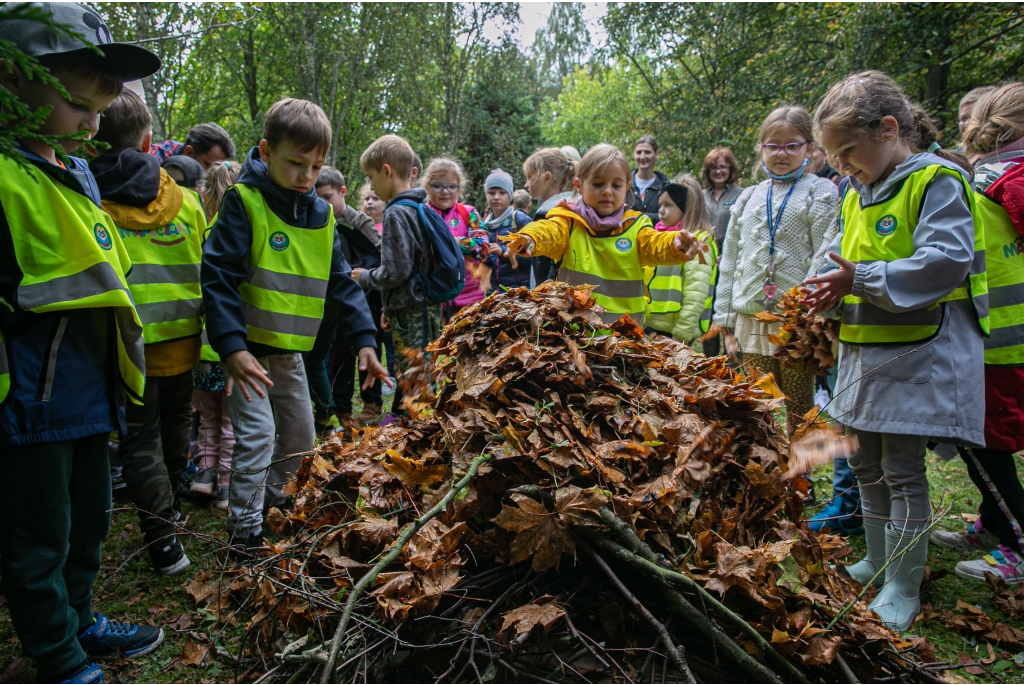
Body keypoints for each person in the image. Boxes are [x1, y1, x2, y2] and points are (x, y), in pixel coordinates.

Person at [0, 4, 166, 681]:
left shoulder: (74, 171)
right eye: (76, 104)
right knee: (37, 531)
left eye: (101, 109)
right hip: (30, 393)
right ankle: (55, 652)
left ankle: (79, 615)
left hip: (89, 385)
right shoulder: (7, 174)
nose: (93, 123)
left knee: (89, 518)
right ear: (10, 82)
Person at [802, 71, 988, 630]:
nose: (841, 166)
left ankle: (904, 585)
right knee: (864, 463)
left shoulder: (935, 181)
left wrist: (858, 281)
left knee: (903, 470)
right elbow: (834, 259)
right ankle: (878, 561)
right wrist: (814, 293)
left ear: (888, 128)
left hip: (916, 355)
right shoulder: (856, 193)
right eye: (833, 156)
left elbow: (946, 260)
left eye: (848, 152)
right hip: (862, 355)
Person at [201, 99, 386, 555]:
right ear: (265, 152)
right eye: (295, 163)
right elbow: (218, 276)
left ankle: (270, 504)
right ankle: (243, 532)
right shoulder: (243, 202)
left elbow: (341, 284)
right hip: (246, 356)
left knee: (303, 437)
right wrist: (230, 347)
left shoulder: (323, 216)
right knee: (258, 438)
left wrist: (365, 341)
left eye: (316, 166)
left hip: (288, 356)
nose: (306, 176)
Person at [89, 89, 207, 576]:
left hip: (128, 345)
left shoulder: (87, 198)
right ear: (148, 138)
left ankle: (163, 541)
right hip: (185, 336)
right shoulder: (186, 201)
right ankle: (173, 509)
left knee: (140, 441)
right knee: (177, 424)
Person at [930, 82, 1024, 584]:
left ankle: (1017, 540)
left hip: (997, 344)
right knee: (982, 442)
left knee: (986, 446)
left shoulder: (999, 184)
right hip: (998, 339)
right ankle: (992, 523)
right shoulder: (1001, 178)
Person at [712, 106, 838, 432]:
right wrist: (723, 317)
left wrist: (803, 302)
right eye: (773, 145)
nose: (782, 153)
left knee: (798, 402)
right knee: (758, 400)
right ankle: (765, 469)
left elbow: (826, 248)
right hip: (750, 316)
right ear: (761, 149)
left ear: (809, 148)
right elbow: (731, 258)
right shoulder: (749, 197)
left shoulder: (821, 191)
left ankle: (800, 474)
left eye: (792, 145)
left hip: (795, 318)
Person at [504, 144, 701, 325]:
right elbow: (547, 231)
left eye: (616, 185)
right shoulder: (569, 222)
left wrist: (676, 243)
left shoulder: (636, 226)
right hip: (577, 334)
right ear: (579, 185)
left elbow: (655, 243)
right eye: (598, 184)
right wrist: (528, 239)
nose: (607, 192)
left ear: (626, 188)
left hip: (625, 337)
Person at [353, 135, 441, 423]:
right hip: (424, 306)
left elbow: (396, 271)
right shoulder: (420, 206)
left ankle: (423, 438)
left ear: (387, 171)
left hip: (412, 313)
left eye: (371, 177)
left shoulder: (395, 213)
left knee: (415, 376)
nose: (371, 186)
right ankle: (422, 429)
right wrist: (388, 309)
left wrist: (365, 277)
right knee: (424, 372)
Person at [309, 166, 385, 432]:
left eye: (328, 197)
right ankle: (342, 410)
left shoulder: (360, 221)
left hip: (365, 299)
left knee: (366, 349)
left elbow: (377, 256)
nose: (323, 204)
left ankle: (371, 402)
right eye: (317, 198)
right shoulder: (315, 221)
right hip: (333, 300)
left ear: (342, 192)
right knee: (339, 356)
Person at [190, 160, 240, 510]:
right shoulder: (239, 235)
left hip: (201, 347)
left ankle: (203, 476)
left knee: (206, 418)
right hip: (230, 347)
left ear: (205, 194)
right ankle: (225, 483)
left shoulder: (203, 231)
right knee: (230, 422)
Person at [644, 175, 717, 346]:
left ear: (687, 208)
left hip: (674, 333)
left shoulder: (698, 243)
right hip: (652, 329)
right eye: (660, 204)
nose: (660, 210)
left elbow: (696, 294)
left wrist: (680, 336)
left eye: (668, 205)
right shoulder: (659, 237)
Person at [420, 157, 492, 317]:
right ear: (426, 187)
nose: (445, 191)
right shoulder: (420, 216)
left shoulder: (468, 213)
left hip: (471, 300)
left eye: (452, 186)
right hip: (434, 299)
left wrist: (455, 242)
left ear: (459, 189)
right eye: (438, 186)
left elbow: (483, 248)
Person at [523, 147, 577, 282]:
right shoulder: (579, 205)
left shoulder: (547, 213)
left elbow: (545, 270)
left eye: (530, 177)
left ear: (547, 177)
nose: (526, 184)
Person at [483, 168, 536, 289]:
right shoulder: (484, 224)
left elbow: (533, 256)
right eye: (491, 193)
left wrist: (502, 251)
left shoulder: (519, 220)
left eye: (502, 193)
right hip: (492, 293)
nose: (496, 197)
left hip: (518, 293)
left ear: (510, 195)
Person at [701, 147, 744, 255]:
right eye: (714, 167)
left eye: (723, 167)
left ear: (730, 169)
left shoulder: (741, 194)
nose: (718, 171)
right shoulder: (701, 196)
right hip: (704, 253)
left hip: (731, 253)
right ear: (708, 171)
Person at [150, 122, 235, 169]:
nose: (212, 175)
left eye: (218, 169)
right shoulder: (154, 161)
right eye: (208, 165)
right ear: (189, 153)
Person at [631, 135, 670, 225]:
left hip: (656, 236)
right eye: (638, 152)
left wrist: (637, 216)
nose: (642, 156)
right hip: (626, 238)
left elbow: (669, 215)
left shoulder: (665, 185)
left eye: (647, 152)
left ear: (656, 154)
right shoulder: (624, 182)